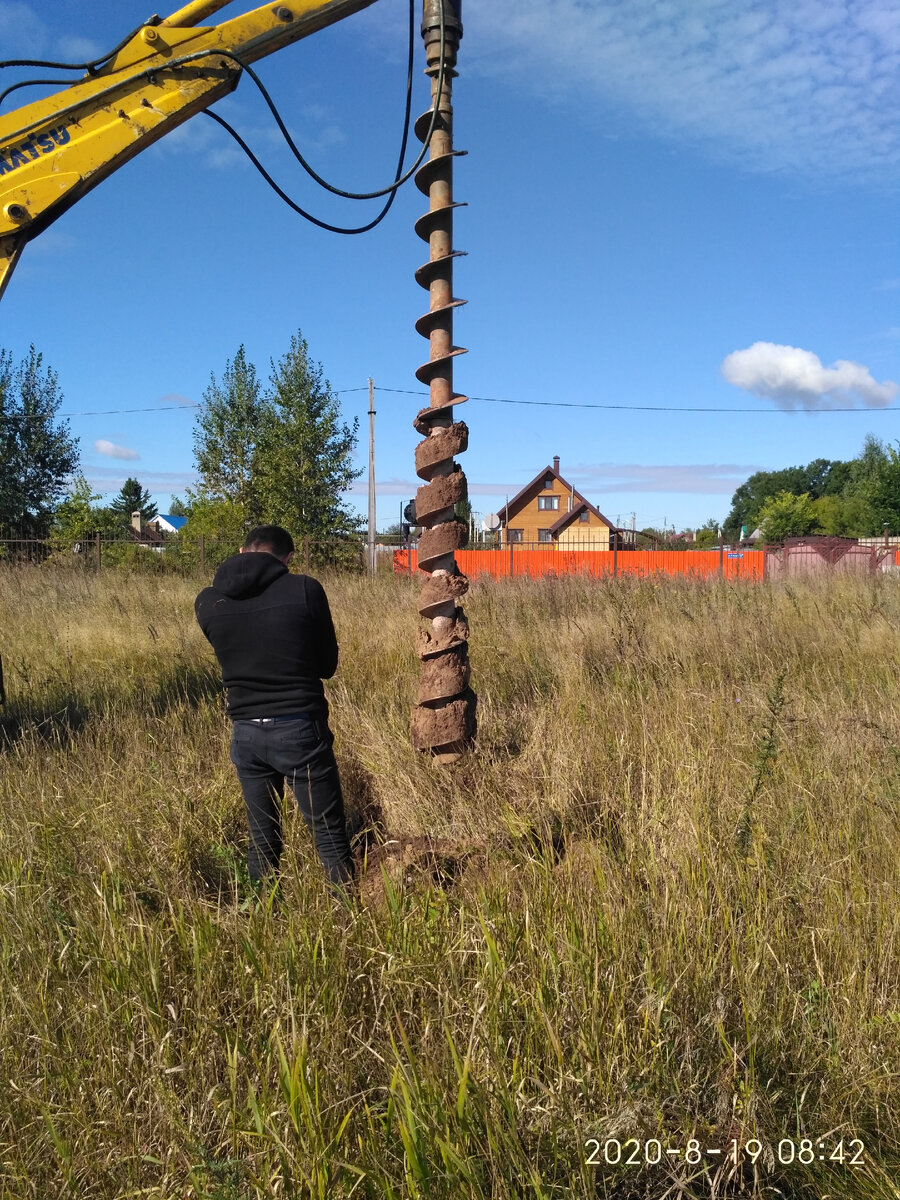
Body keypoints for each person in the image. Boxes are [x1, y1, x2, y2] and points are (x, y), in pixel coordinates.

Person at [195, 524, 355, 892]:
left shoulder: (207, 602)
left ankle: (261, 917)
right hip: (300, 730)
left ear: (241, 551)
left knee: (261, 840)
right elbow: (326, 667)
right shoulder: (304, 589)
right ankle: (349, 919)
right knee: (329, 837)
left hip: (246, 735)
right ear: (287, 559)